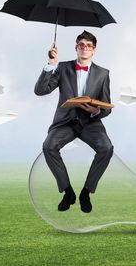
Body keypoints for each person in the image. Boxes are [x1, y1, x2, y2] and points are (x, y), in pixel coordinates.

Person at [34, 30, 114, 213]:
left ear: (94, 50)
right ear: (76, 48)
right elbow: (41, 90)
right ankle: (68, 191)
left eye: (89, 45)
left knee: (107, 148)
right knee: (48, 146)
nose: (85, 48)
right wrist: (51, 63)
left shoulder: (103, 74)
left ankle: (86, 192)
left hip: (91, 122)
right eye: (81, 45)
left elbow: (107, 107)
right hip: (65, 122)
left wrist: (96, 111)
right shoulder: (62, 67)